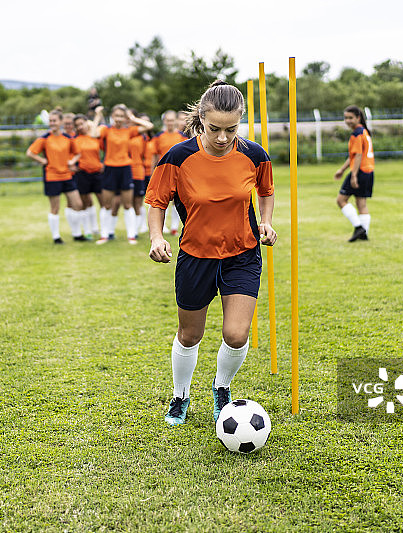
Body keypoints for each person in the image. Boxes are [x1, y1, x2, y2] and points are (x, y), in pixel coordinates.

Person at [145, 80, 277, 426]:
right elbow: (157, 200)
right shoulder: (178, 157)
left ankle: (222, 388)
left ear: (240, 121)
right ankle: (181, 395)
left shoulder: (254, 154)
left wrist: (266, 222)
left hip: (243, 254)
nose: (222, 137)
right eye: (214, 129)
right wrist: (156, 237)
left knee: (236, 334)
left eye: (231, 129)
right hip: (196, 256)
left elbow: (266, 190)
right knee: (190, 335)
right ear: (201, 120)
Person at [92, 104, 153, 245]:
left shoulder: (129, 131)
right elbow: (93, 133)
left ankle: (131, 235)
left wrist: (132, 118)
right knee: (107, 204)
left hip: (125, 169)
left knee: (127, 204)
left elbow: (148, 126)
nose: (118, 119)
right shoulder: (106, 130)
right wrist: (97, 116)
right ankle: (104, 235)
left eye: (121, 116)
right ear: (112, 117)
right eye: (116, 116)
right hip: (110, 169)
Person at [26, 109, 86, 244]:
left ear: (60, 122)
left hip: (67, 176)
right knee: (55, 208)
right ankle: (56, 237)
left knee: (77, 204)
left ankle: (77, 234)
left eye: (54, 121)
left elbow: (78, 153)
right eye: (50, 121)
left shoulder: (68, 138)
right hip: (52, 176)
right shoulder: (45, 138)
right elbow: (30, 152)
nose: (52, 123)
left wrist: (72, 161)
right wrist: (42, 161)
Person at [333, 105, 375, 242]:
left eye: (351, 118)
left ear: (358, 118)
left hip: (360, 171)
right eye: (346, 118)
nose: (348, 121)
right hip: (369, 171)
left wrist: (354, 175)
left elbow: (357, 155)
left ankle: (359, 228)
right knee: (361, 204)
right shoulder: (364, 131)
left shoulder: (357, 133)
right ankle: (364, 235)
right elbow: (353, 156)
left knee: (341, 200)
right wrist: (342, 169)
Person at [71, 113, 104, 239]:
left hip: (97, 173)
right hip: (82, 174)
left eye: (81, 123)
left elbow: (108, 149)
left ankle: (104, 231)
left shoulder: (95, 137)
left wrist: (104, 164)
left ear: (86, 123)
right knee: (85, 204)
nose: (80, 127)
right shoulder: (74, 140)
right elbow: (70, 157)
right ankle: (88, 230)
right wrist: (73, 167)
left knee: (104, 203)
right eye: (77, 125)